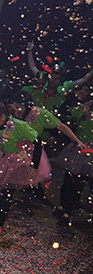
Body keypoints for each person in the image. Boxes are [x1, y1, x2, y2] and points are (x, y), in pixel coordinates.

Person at [0, 103, 52, 237]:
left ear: (3, 117)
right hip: (2, 158)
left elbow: (37, 141)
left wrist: (34, 165)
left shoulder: (18, 125)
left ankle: (0, 221)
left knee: (7, 190)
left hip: (19, 161)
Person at [54, 86, 92, 225]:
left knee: (79, 183)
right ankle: (63, 206)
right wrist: (80, 102)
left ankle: (68, 210)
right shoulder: (86, 108)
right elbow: (72, 114)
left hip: (90, 152)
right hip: (79, 148)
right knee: (68, 180)